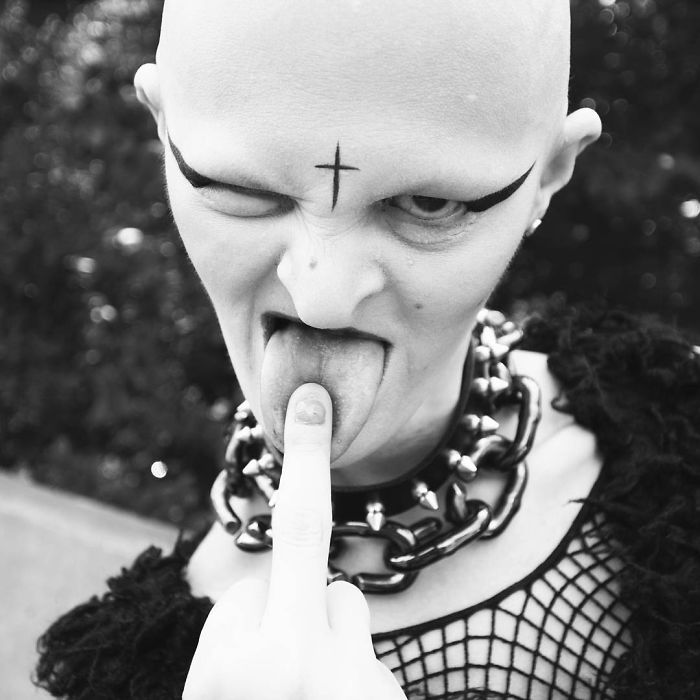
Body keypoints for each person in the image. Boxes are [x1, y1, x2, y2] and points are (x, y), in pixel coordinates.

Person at [34, 1, 700, 698]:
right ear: (161, 128)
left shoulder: (676, 449)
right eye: (242, 189)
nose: (322, 297)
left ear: (550, 174)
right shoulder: (135, 669)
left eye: (428, 205)